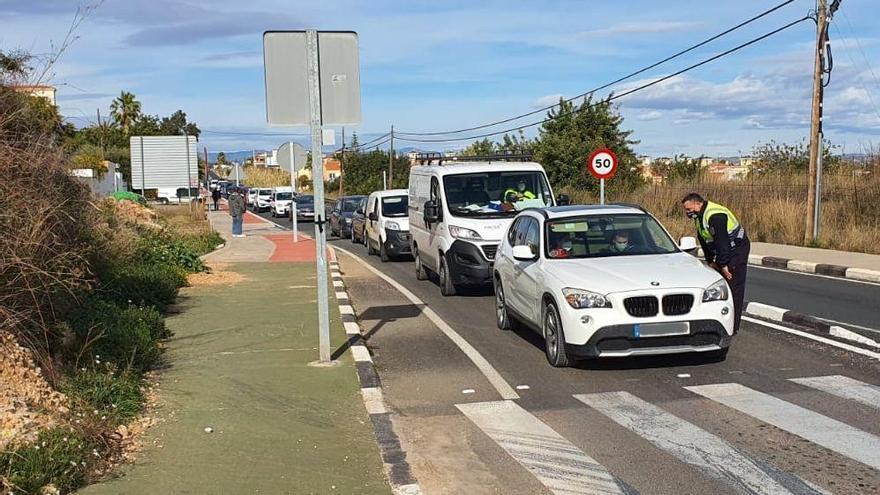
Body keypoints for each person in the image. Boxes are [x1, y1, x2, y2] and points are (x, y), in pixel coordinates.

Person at [681, 193, 750, 333]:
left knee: (733, 287)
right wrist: (711, 262)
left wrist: (723, 265)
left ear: (697, 204)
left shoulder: (715, 215)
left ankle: (732, 328)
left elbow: (722, 242)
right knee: (719, 288)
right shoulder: (700, 217)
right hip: (724, 250)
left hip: (736, 250)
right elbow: (705, 240)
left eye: (688, 209)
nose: (687, 212)